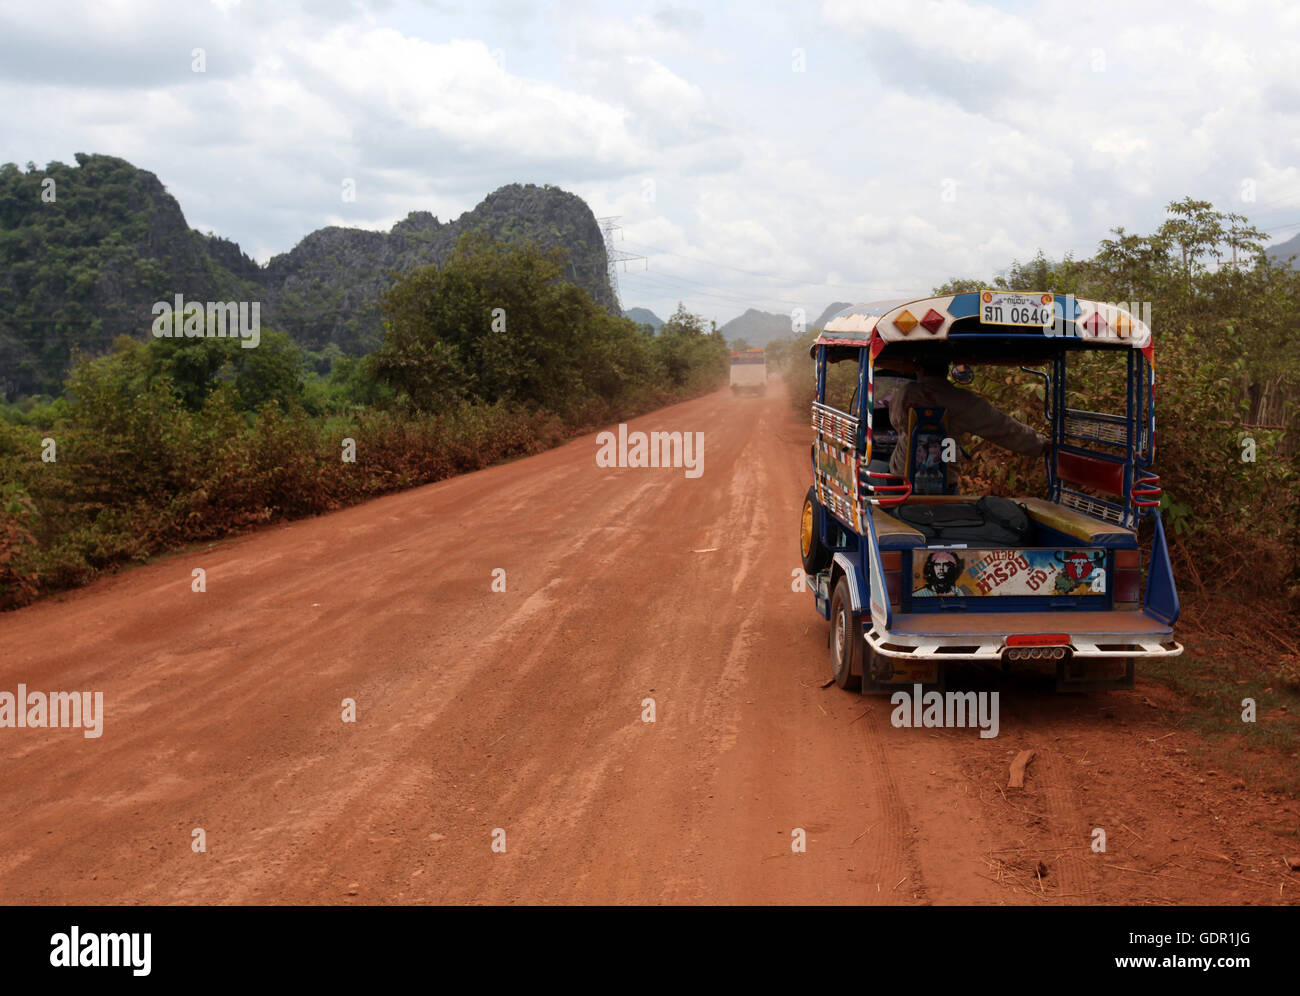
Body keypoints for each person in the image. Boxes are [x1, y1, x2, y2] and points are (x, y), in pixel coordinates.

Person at [885, 356, 1051, 482]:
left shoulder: (903, 394)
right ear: (946, 369)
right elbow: (1004, 428)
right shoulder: (963, 400)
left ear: (919, 368)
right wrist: (1040, 445)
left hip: (901, 478)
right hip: (945, 480)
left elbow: (895, 422)